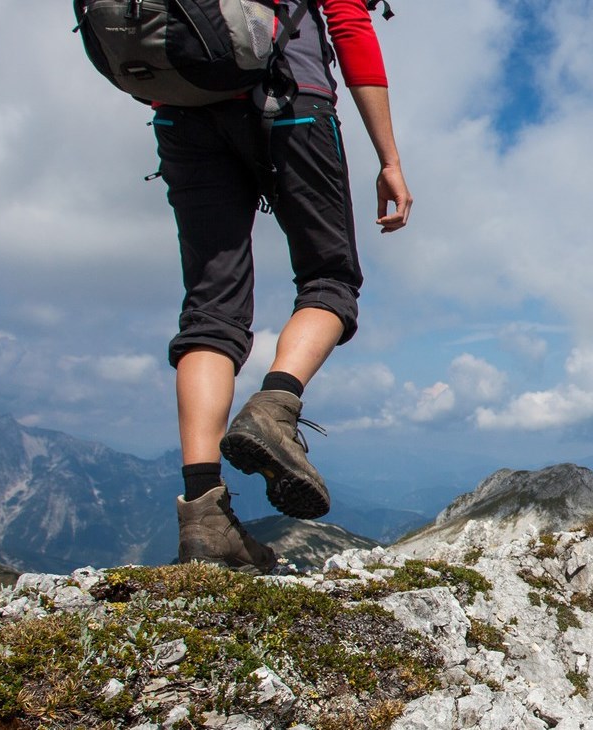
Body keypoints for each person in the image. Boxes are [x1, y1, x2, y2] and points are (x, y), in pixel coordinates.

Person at [157, 0, 411, 571]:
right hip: (291, 98)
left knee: (210, 313)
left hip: (182, 111)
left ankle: (203, 519)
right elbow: (347, 21)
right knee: (330, 280)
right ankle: (275, 405)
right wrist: (389, 158)